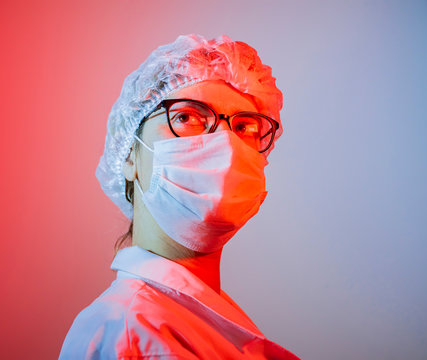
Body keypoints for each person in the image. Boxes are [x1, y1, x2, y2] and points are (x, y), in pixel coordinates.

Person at [59, 34, 300, 359]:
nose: (224, 145)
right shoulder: (125, 333)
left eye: (245, 127)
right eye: (186, 117)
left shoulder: (197, 317)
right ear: (130, 156)